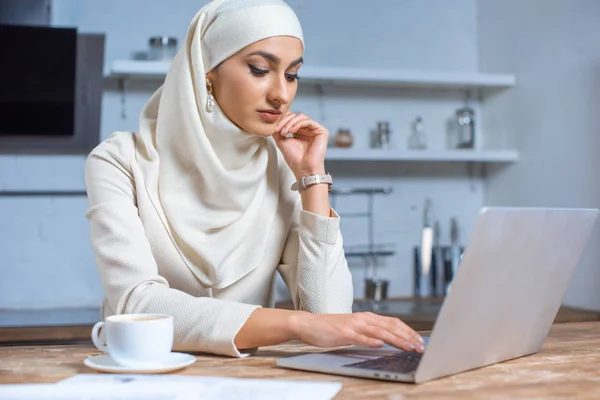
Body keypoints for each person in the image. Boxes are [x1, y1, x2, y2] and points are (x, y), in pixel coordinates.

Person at [84, 0, 425, 358]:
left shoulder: (281, 167)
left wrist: (312, 180)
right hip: (143, 380)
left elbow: (329, 318)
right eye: (260, 69)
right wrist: (293, 324)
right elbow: (137, 304)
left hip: (249, 383)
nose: (281, 94)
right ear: (206, 72)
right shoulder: (120, 161)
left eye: (292, 75)